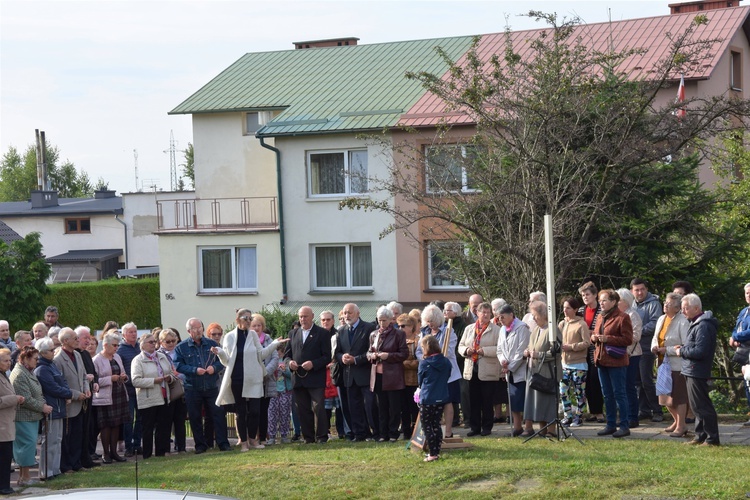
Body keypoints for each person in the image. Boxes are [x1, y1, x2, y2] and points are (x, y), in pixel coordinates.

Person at [214, 310, 286, 451]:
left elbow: (262, 354)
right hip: (237, 378)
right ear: (238, 319)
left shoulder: (252, 335)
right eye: (245, 318)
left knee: (255, 411)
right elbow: (227, 361)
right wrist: (220, 353)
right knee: (241, 412)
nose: (248, 321)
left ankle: (253, 439)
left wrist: (275, 344)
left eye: (250, 318)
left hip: (254, 377)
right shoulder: (230, 337)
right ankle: (244, 442)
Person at [175, 318, 230, 453]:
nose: (199, 330)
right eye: (195, 328)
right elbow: (178, 366)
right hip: (192, 387)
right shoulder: (181, 347)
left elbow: (222, 360)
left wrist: (214, 368)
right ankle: (200, 445)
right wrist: (194, 370)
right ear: (189, 331)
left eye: (200, 327)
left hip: (211, 386)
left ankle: (223, 443)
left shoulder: (212, 344)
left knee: (218, 414)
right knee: (195, 417)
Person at [676, 293, 720, 446]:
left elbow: (701, 352)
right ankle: (700, 435)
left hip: (697, 370)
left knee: (702, 405)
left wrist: (681, 351)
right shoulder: (696, 323)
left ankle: (712, 438)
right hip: (691, 369)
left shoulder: (704, 325)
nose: (683, 312)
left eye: (685, 308)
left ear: (696, 308)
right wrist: (684, 348)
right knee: (696, 406)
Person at [283, 306, 332, 444]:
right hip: (298, 378)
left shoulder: (322, 333)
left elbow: (327, 356)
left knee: (318, 407)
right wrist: (290, 363)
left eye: (305, 316)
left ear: (312, 316)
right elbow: (287, 355)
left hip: (315, 377)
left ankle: (322, 436)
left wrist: (314, 364)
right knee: (302, 409)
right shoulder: (293, 333)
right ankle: (308, 437)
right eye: (300, 316)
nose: (302, 319)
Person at [592, 290, 633, 438]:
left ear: (613, 302)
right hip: (601, 360)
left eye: (604, 300)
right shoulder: (600, 317)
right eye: (600, 300)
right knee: (607, 394)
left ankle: (624, 425)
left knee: (619, 394)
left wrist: (607, 338)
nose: (601, 303)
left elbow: (628, 340)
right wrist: (594, 338)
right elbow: (596, 335)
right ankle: (610, 424)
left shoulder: (623, 318)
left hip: (616, 361)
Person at [417, 304, 461, 439]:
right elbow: (419, 351)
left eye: (432, 321)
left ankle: (448, 431)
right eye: (428, 321)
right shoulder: (424, 331)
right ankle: (429, 431)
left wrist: (431, 359)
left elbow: (448, 351)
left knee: (447, 401)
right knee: (430, 402)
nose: (430, 324)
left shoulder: (449, 331)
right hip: (430, 375)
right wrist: (427, 361)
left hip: (447, 374)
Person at [334, 303, 377, 442]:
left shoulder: (369, 328)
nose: (347, 315)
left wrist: (356, 360)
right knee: (354, 406)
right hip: (349, 375)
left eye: (350, 313)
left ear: (358, 313)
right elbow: (338, 352)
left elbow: (372, 351)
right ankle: (359, 433)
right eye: (345, 313)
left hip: (364, 373)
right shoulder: (341, 331)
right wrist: (343, 358)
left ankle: (376, 432)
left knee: (370, 405)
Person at [457, 302, 501, 436]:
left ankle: (487, 427)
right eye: (484, 312)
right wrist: (466, 350)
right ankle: (474, 427)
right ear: (478, 313)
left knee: (487, 400)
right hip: (471, 368)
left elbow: (500, 348)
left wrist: (484, 351)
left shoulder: (496, 330)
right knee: (473, 400)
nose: (486, 315)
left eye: (488, 313)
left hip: (488, 369)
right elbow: (460, 346)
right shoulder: (469, 329)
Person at [651, 292, 690, 436]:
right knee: (664, 395)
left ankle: (681, 426)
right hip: (662, 362)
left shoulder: (682, 321)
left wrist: (666, 349)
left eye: (668, 304)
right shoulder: (661, 319)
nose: (665, 305)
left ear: (677, 307)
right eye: (665, 302)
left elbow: (685, 345)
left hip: (677, 364)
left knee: (678, 396)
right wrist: (654, 347)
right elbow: (656, 337)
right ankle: (677, 421)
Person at [11, 347, 51, 487]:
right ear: (26, 359)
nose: (37, 361)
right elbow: (26, 399)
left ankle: (23, 477)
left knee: (26, 446)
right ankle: (25, 477)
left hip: (30, 416)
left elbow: (36, 393)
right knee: (26, 446)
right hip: (24, 417)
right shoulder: (20, 374)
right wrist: (43, 407)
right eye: (35, 358)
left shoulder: (27, 371)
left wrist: (43, 404)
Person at [367, 306, 407, 442]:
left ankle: (393, 433)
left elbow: (403, 354)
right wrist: (371, 355)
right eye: (379, 320)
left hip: (392, 375)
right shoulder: (373, 334)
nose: (382, 323)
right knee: (381, 406)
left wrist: (387, 356)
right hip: (377, 375)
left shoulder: (398, 334)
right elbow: (368, 351)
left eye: (384, 320)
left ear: (391, 320)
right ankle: (382, 433)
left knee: (394, 406)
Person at [53, 328, 90, 473]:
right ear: (65, 341)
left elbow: (84, 375)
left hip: (81, 403)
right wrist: (75, 394)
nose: (77, 340)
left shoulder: (77, 355)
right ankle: (66, 465)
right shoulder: (58, 359)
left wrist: (86, 388)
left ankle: (76, 463)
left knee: (77, 435)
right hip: (69, 404)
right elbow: (60, 383)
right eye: (74, 338)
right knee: (66, 437)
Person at [131, 333, 173, 458]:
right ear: (142, 345)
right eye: (150, 342)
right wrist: (154, 381)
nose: (153, 344)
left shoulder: (161, 357)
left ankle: (160, 453)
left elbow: (171, 371)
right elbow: (135, 381)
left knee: (163, 426)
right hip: (148, 398)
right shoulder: (138, 360)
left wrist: (169, 378)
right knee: (148, 428)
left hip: (164, 396)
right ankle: (147, 454)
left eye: (154, 341)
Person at [523, 300, 561, 437]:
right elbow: (531, 346)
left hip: (548, 373)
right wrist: (527, 352)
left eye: (535, 315)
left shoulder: (553, 330)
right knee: (538, 402)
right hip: (535, 372)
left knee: (548, 402)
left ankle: (551, 431)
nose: (533, 318)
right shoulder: (536, 330)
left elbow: (556, 351)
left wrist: (538, 355)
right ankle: (542, 430)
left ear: (543, 315)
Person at [34, 337, 71, 477]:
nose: (54, 352)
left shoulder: (52, 365)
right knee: (49, 442)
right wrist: (69, 393)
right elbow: (52, 388)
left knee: (58, 441)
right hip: (51, 409)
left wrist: (67, 392)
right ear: (42, 353)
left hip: (59, 408)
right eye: (51, 350)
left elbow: (63, 381)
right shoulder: (42, 369)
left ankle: (55, 470)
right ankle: (46, 472)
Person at [496, 304, 533, 437]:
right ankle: (517, 427)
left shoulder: (522, 328)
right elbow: (499, 349)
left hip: (520, 370)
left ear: (511, 315)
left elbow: (521, 351)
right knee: (513, 400)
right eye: (499, 318)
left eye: (503, 317)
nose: (501, 320)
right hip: (509, 371)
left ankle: (528, 427)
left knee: (523, 399)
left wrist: (510, 367)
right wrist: (503, 361)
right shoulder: (502, 330)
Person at [92, 331, 129, 463]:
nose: (116, 348)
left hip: (118, 394)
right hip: (104, 396)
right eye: (114, 345)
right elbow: (94, 381)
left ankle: (114, 452)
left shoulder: (117, 357)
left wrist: (124, 377)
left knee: (117, 424)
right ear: (105, 345)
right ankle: (106, 453)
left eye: (117, 345)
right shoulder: (96, 360)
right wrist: (110, 379)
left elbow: (123, 372)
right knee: (106, 426)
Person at [631, 278, 663, 422]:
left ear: (646, 289)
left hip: (646, 347)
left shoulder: (654, 304)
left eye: (642, 289)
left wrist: (638, 331)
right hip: (633, 349)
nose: (640, 292)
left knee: (646, 381)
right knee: (638, 381)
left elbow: (656, 323)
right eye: (636, 290)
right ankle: (644, 410)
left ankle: (657, 410)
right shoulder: (631, 305)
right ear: (632, 291)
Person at [417, 334, 451, 462]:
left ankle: (433, 453)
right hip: (441, 397)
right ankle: (437, 450)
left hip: (428, 398)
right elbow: (448, 375)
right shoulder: (446, 361)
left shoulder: (424, 363)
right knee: (436, 424)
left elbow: (420, 381)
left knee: (427, 426)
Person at [558, 297, 590, 428]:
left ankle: (579, 416)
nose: (565, 310)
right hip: (564, 364)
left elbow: (587, 343)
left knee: (579, 392)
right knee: (563, 391)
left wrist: (571, 347)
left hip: (579, 365)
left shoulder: (581, 324)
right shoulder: (562, 324)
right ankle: (567, 415)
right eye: (564, 308)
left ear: (575, 309)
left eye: (568, 308)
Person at [578, 281, 605, 423]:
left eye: (587, 294)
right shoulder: (581, 311)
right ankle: (593, 411)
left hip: (597, 350)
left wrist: (591, 332)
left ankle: (600, 412)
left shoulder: (601, 310)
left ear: (595, 295)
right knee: (587, 382)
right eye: (583, 295)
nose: (585, 297)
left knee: (596, 380)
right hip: (583, 352)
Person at [616, 289, 643, 429]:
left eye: (618, 300)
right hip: (617, 354)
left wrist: (617, 339)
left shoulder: (633, 315)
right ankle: (623, 416)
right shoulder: (615, 315)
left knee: (628, 386)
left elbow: (636, 336)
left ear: (625, 302)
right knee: (619, 387)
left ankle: (633, 417)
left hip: (631, 355)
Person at [74, 326, 100, 467]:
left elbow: (93, 372)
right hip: (79, 396)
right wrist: (86, 378)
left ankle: (86, 457)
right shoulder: (75, 354)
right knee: (80, 429)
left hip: (89, 394)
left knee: (88, 428)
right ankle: (79, 459)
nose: (88, 341)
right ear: (77, 338)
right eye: (86, 338)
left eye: (89, 338)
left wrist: (94, 382)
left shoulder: (85, 354)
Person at [157, 328, 186, 453]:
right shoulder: (158, 354)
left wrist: (179, 374)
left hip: (181, 389)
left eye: (173, 340)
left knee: (180, 419)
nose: (171, 344)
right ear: (161, 342)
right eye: (168, 341)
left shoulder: (180, 351)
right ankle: (165, 448)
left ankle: (181, 447)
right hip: (166, 389)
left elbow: (185, 368)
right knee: (166, 420)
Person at [117, 322, 142, 456]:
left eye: (134, 332)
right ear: (124, 334)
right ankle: (128, 446)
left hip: (141, 389)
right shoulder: (120, 350)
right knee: (128, 419)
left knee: (140, 418)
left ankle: (138, 444)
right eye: (130, 332)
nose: (133, 334)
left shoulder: (140, 347)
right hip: (128, 390)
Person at [0, 348, 22, 495]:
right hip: (1, 425)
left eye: (10, 360)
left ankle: (4, 485)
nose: (9, 363)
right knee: (3, 457)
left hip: (7, 423)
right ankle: (3, 486)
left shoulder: (4, 376)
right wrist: (14, 399)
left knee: (6, 457)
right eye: (5, 361)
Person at [729, 283, 750, 427]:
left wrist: (736, 336)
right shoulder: (744, 312)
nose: (749, 295)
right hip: (744, 353)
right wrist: (733, 337)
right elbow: (737, 328)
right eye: (747, 293)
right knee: (748, 384)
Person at [397, 313, 419, 440]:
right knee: (402, 408)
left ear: (411, 327)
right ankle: (406, 433)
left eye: (403, 326)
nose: (400, 328)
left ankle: (416, 433)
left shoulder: (418, 340)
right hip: (399, 380)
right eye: (398, 326)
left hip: (414, 380)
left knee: (414, 408)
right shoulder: (397, 340)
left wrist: (402, 363)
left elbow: (420, 361)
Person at [267, 344, 293, 444]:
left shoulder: (287, 360)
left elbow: (292, 375)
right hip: (272, 392)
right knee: (272, 414)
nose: (277, 354)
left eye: (279, 351)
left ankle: (284, 435)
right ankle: (272, 436)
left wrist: (284, 370)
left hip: (285, 391)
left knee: (285, 414)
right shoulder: (270, 361)